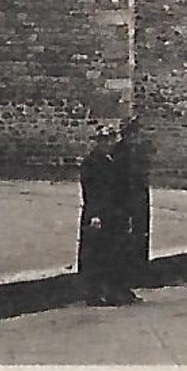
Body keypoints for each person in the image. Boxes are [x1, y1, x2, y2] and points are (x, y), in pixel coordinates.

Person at [78, 127, 134, 306]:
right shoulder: (91, 162)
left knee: (113, 252)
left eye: (111, 140)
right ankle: (93, 293)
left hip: (115, 215)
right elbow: (91, 191)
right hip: (98, 214)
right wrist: (95, 215)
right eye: (105, 140)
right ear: (98, 142)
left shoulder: (114, 162)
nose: (109, 144)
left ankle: (114, 291)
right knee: (95, 254)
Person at [115, 116, 152, 289]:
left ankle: (138, 276)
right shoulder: (120, 152)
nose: (136, 137)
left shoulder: (140, 152)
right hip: (126, 200)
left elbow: (143, 175)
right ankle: (126, 280)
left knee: (140, 237)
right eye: (132, 133)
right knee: (126, 240)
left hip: (139, 199)